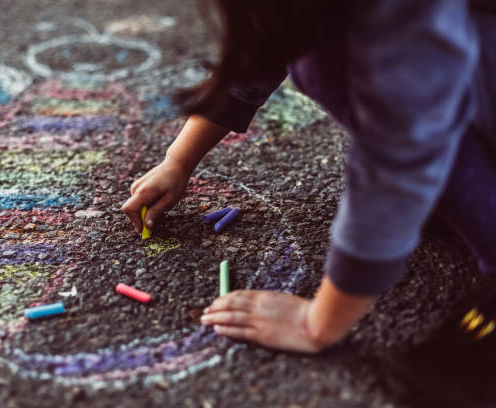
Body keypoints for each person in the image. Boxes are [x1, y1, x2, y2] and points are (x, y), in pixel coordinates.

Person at [122, 0, 496, 355]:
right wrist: (179, 160)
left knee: (437, 372)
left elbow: (401, 164)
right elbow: (266, 47)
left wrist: (318, 323)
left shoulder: (391, 27)